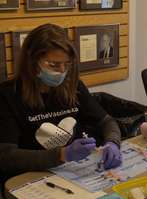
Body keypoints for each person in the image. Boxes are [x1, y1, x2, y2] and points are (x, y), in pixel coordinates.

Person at [0, 24, 122, 186]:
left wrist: (112, 143)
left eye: (67, 64)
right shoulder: (8, 95)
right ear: (32, 62)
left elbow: (107, 122)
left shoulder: (73, 86)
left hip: (71, 173)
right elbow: (6, 157)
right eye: (53, 65)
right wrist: (62, 154)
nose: (62, 71)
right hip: (29, 179)